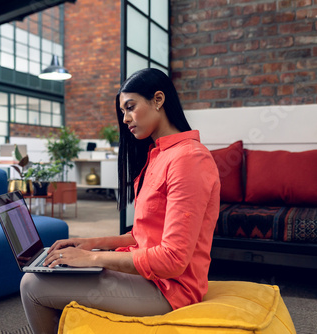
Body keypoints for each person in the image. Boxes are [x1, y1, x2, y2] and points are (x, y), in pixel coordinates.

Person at [20, 68, 221, 334]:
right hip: (149, 277)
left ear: (158, 100)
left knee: (33, 285)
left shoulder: (189, 159)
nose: (125, 119)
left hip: (170, 290)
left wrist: (93, 259)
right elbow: (143, 236)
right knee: (53, 271)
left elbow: (172, 260)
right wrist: (90, 244)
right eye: (123, 111)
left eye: (130, 107)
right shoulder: (159, 155)